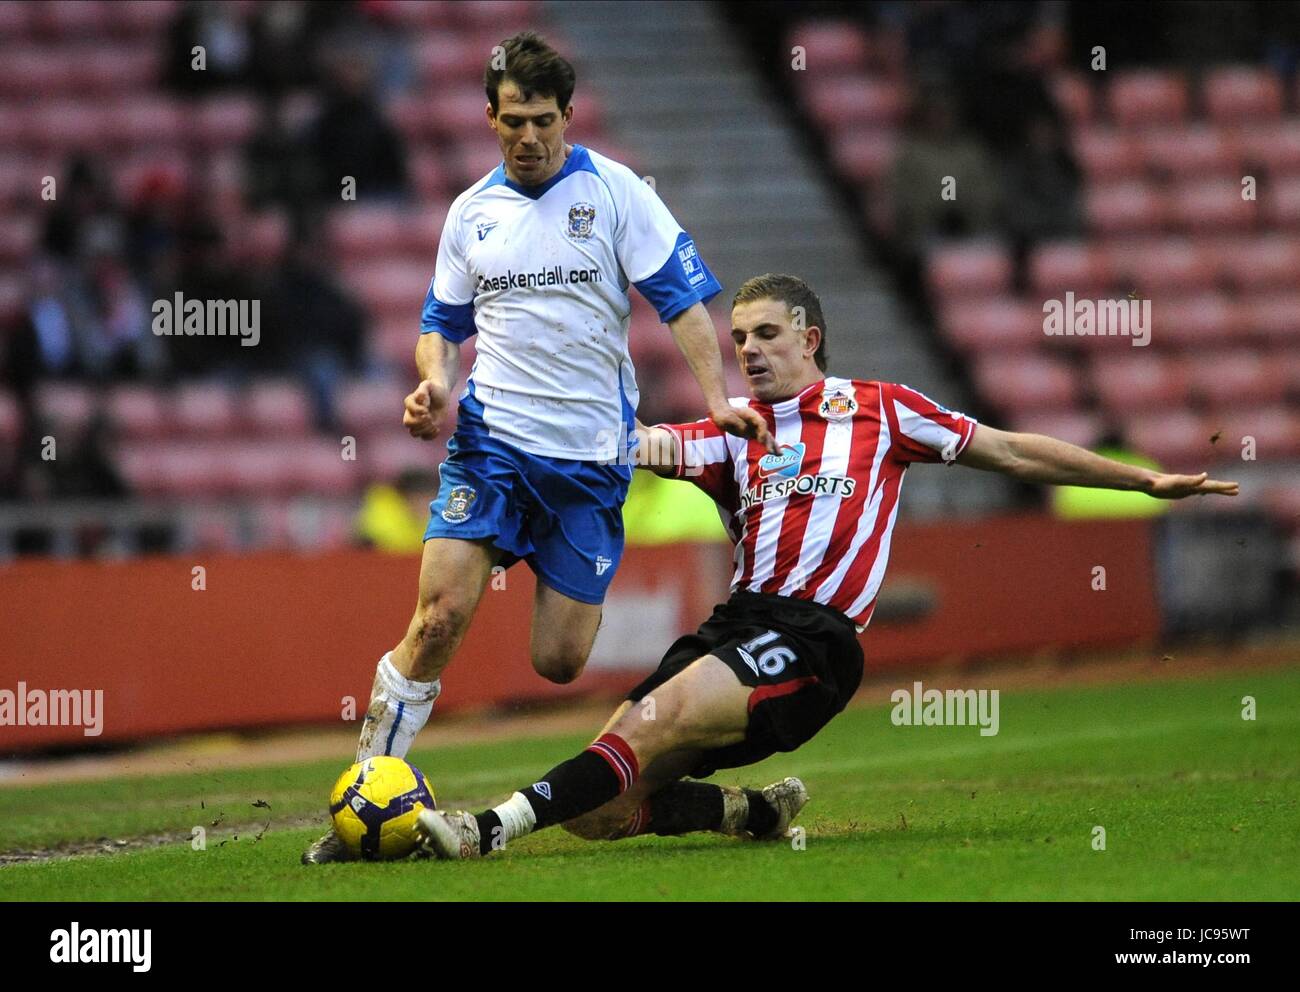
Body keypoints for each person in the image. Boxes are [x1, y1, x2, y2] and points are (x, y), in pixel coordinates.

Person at [412, 272, 1239, 859]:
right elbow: (642, 445)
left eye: (766, 334)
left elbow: (1012, 450)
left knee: (647, 726)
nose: (750, 352)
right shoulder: (733, 434)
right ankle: (746, 815)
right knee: (603, 811)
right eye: (737, 339)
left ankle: (486, 830)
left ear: (809, 337)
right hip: (732, 629)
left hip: (813, 640)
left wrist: (1142, 480)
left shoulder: (882, 410)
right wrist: (508, 432)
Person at [303, 33, 772, 863]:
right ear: (489, 116)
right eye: (513, 119)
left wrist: (714, 399)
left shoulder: (616, 194)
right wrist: (436, 386)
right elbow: (440, 327)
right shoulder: (470, 214)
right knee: (439, 616)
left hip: (591, 461)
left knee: (559, 660)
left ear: (567, 115)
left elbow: (685, 303)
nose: (529, 136)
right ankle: (365, 797)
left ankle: (672, 793)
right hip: (491, 448)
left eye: (544, 120)